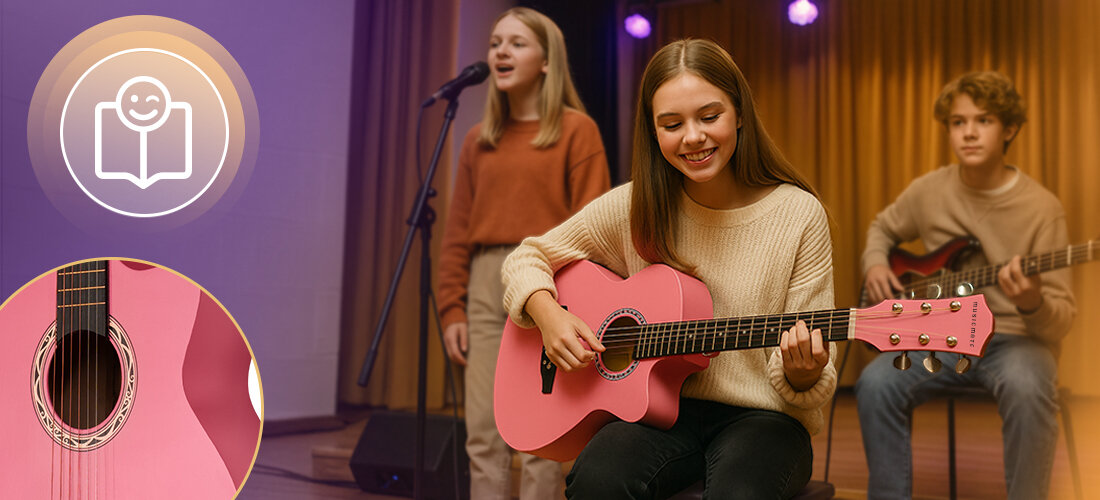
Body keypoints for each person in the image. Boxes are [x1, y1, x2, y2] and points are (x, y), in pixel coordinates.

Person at [501, 38, 836, 499]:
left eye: (710, 116)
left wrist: (803, 372)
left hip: (764, 418)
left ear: (739, 113)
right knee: (597, 479)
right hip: (656, 415)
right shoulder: (636, 205)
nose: (693, 137)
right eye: (672, 124)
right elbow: (527, 257)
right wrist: (549, 314)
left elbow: (813, 378)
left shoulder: (798, 214)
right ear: (653, 131)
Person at [855, 71, 1076, 500]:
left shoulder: (1043, 208)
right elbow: (882, 228)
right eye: (958, 122)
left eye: (984, 121)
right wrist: (876, 263)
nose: (969, 133)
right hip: (941, 337)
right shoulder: (928, 190)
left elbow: (1060, 322)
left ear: (1009, 128)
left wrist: (1032, 303)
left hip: (1017, 340)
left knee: (1029, 390)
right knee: (875, 383)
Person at [437, 7, 611, 500]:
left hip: (552, 284)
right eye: (495, 43)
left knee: (542, 433)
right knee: (483, 431)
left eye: (516, 43)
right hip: (485, 283)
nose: (500, 52)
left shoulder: (578, 131)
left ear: (547, 62)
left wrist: (569, 302)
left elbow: (593, 230)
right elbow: (456, 233)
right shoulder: (478, 141)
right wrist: (453, 306)